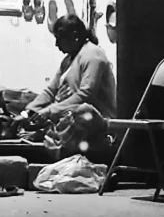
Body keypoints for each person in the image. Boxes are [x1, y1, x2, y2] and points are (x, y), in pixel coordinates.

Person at [18, 14, 116, 155]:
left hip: (95, 123)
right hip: (69, 121)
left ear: (74, 36)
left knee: (82, 110)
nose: (56, 44)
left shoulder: (93, 55)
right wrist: (27, 112)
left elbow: (86, 95)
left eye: (59, 38)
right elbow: (51, 90)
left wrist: (50, 110)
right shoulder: (68, 60)